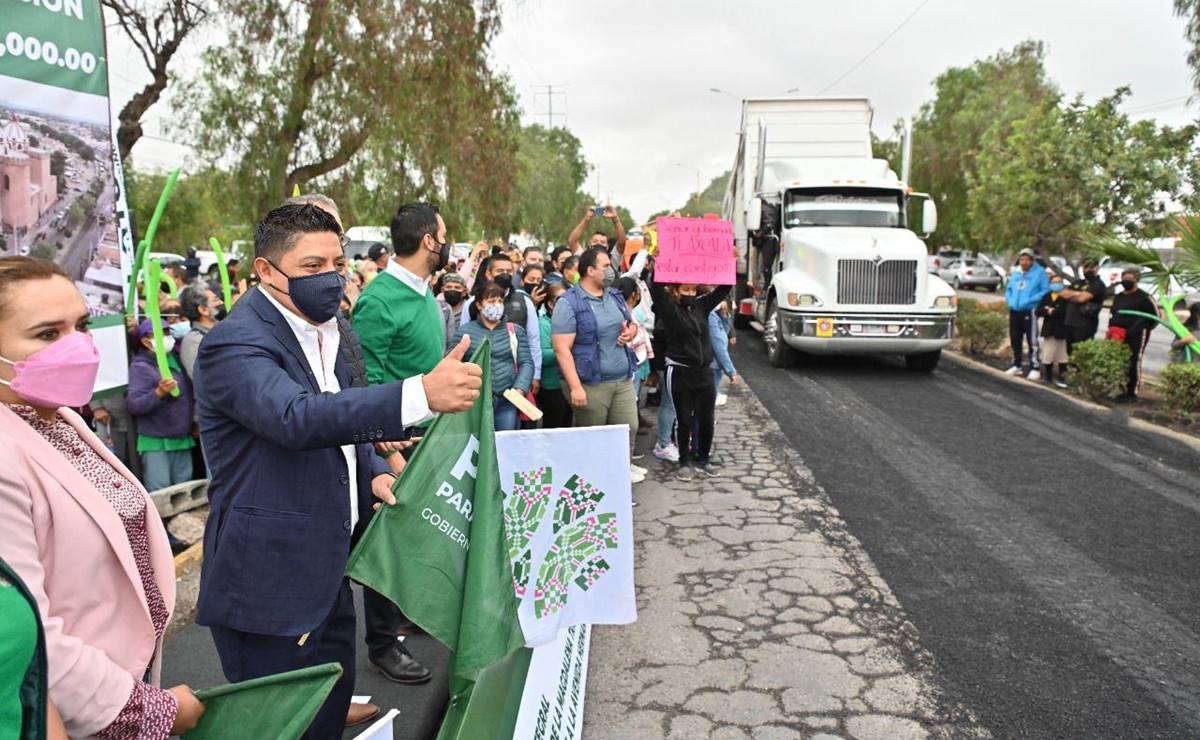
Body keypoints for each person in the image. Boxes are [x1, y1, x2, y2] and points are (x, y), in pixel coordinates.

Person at [194, 204, 482, 737]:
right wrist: (419, 394)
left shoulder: (335, 329)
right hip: (270, 582)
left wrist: (371, 467)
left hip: (330, 566)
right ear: (264, 271)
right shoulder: (234, 345)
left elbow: (343, 420)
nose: (329, 277)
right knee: (283, 723)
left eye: (336, 262)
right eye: (310, 267)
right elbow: (296, 417)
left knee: (327, 707)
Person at [0, 256, 204, 738]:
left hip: (125, 673)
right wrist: (147, 712)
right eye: (48, 334)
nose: (78, 346)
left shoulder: (57, 416)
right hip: (70, 712)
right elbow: (28, 633)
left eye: (83, 326)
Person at [551, 246, 645, 483]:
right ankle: (592, 488)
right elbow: (561, 348)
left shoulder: (613, 295)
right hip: (591, 384)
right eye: (605, 266)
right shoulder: (569, 303)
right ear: (590, 270)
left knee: (627, 430)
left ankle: (618, 486)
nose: (611, 270)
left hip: (622, 380)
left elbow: (631, 323)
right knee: (593, 440)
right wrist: (575, 387)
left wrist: (630, 332)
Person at [650, 271, 732, 480]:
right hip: (679, 371)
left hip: (703, 372)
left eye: (693, 289)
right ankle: (684, 461)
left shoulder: (701, 306)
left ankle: (703, 457)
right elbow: (657, 289)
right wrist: (658, 266)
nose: (690, 293)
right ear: (675, 291)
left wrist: (728, 264)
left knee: (707, 418)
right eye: (685, 289)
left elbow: (724, 288)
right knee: (684, 418)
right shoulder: (670, 310)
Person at [451, 282, 533, 431]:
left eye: (500, 301)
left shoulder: (515, 331)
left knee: (505, 444)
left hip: (506, 401)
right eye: (491, 301)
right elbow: (452, 364)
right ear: (479, 305)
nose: (497, 305)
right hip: (474, 402)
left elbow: (526, 362)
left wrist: (520, 388)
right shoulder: (465, 332)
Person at [127, 319, 196, 491]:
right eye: (159, 334)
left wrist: (193, 422)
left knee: (185, 491)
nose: (165, 337)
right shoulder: (140, 366)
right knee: (161, 493)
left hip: (181, 438)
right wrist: (158, 393)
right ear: (145, 341)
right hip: (156, 440)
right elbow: (134, 405)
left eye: (167, 333)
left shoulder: (175, 361)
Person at [460, 252, 543, 392]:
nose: (505, 274)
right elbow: (463, 339)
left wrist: (535, 374)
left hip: (513, 381)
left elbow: (533, 340)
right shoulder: (472, 303)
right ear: (488, 273)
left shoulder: (524, 301)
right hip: (477, 382)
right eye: (500, 271)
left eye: (509, 271)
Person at [1108, 269, 1158, 402]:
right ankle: (1118, 388)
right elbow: (1113, 313)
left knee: (1134, 360)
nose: (1126, 281)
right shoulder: (1119, 297)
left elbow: (1156, 316)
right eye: (1124, 278)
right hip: (1118, 334)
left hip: (1137, 334)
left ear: (1136, 280)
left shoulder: (1144, 297)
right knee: (1118, 360)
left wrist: (1142, 328)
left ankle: (1132, 392)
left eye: (1130, 279)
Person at [1004, 248, 1049, 380]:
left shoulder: (1040, 273)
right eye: (1022, 259)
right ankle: (1017, 364)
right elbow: (1009, 289)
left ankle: (1034, 366)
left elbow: (1044, 291)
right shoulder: (1016, 272)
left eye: (1027, 259)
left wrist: (1030, 300)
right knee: (1015, 337)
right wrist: (1011, 301)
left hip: (1030, 309)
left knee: (1032, 339)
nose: (1024, 262)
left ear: (1032, 260)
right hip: (1015, 309)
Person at [537, 282, 572, 428]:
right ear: (551, 304)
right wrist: (564, 349)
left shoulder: (571, 322)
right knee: (553, 426)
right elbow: (543, 355)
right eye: (561, 300)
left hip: (569, 382)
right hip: (552, 384)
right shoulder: (543, 324)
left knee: (567, 423)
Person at [178, 283, 224, 380]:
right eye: (215, 300)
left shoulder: (222, 329)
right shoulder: (194, 341)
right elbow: (204, 378)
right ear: (203, 310)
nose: (221, 302)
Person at [1061, 259, 1107, 353]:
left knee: (1082, 352)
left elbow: (1082, 298)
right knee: (1069, 351)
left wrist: (1073, 295)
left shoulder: (1098, 284)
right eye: (1085, 267)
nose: (1087, 270)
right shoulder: (1078, 282)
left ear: (1097, 268)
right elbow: (1063, 294)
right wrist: (1078, 294)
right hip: (1070, 322)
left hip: (1085, 325)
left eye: (1091, 267)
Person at [1035, 271, 1071, 388]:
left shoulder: (1065, 298)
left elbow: (1065, 313)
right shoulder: (1047, 296)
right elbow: (1038, 311)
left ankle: (1062, 377)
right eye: (1054, 282)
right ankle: (1048, 377)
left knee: (1062, 355)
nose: (1056, 285)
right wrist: (1048, 311)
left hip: (1061, 329)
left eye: (1058, 283)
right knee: (1048, 354)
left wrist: (1052, 311)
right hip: (1049, 329)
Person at [709, 300, 739, 406]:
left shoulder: (716, 315)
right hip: (712, 365)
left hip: (713, 364)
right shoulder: (711, 317)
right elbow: (719, 346)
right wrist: (731, 371)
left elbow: (724, 331)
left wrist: (725, 316)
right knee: (707, 402)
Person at [438, 272, 469, 349]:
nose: (452, 290)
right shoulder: (437, 308)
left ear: (464, 292)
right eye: (449, 287)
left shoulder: (468, 310)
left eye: (457, 287)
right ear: (442, 290)